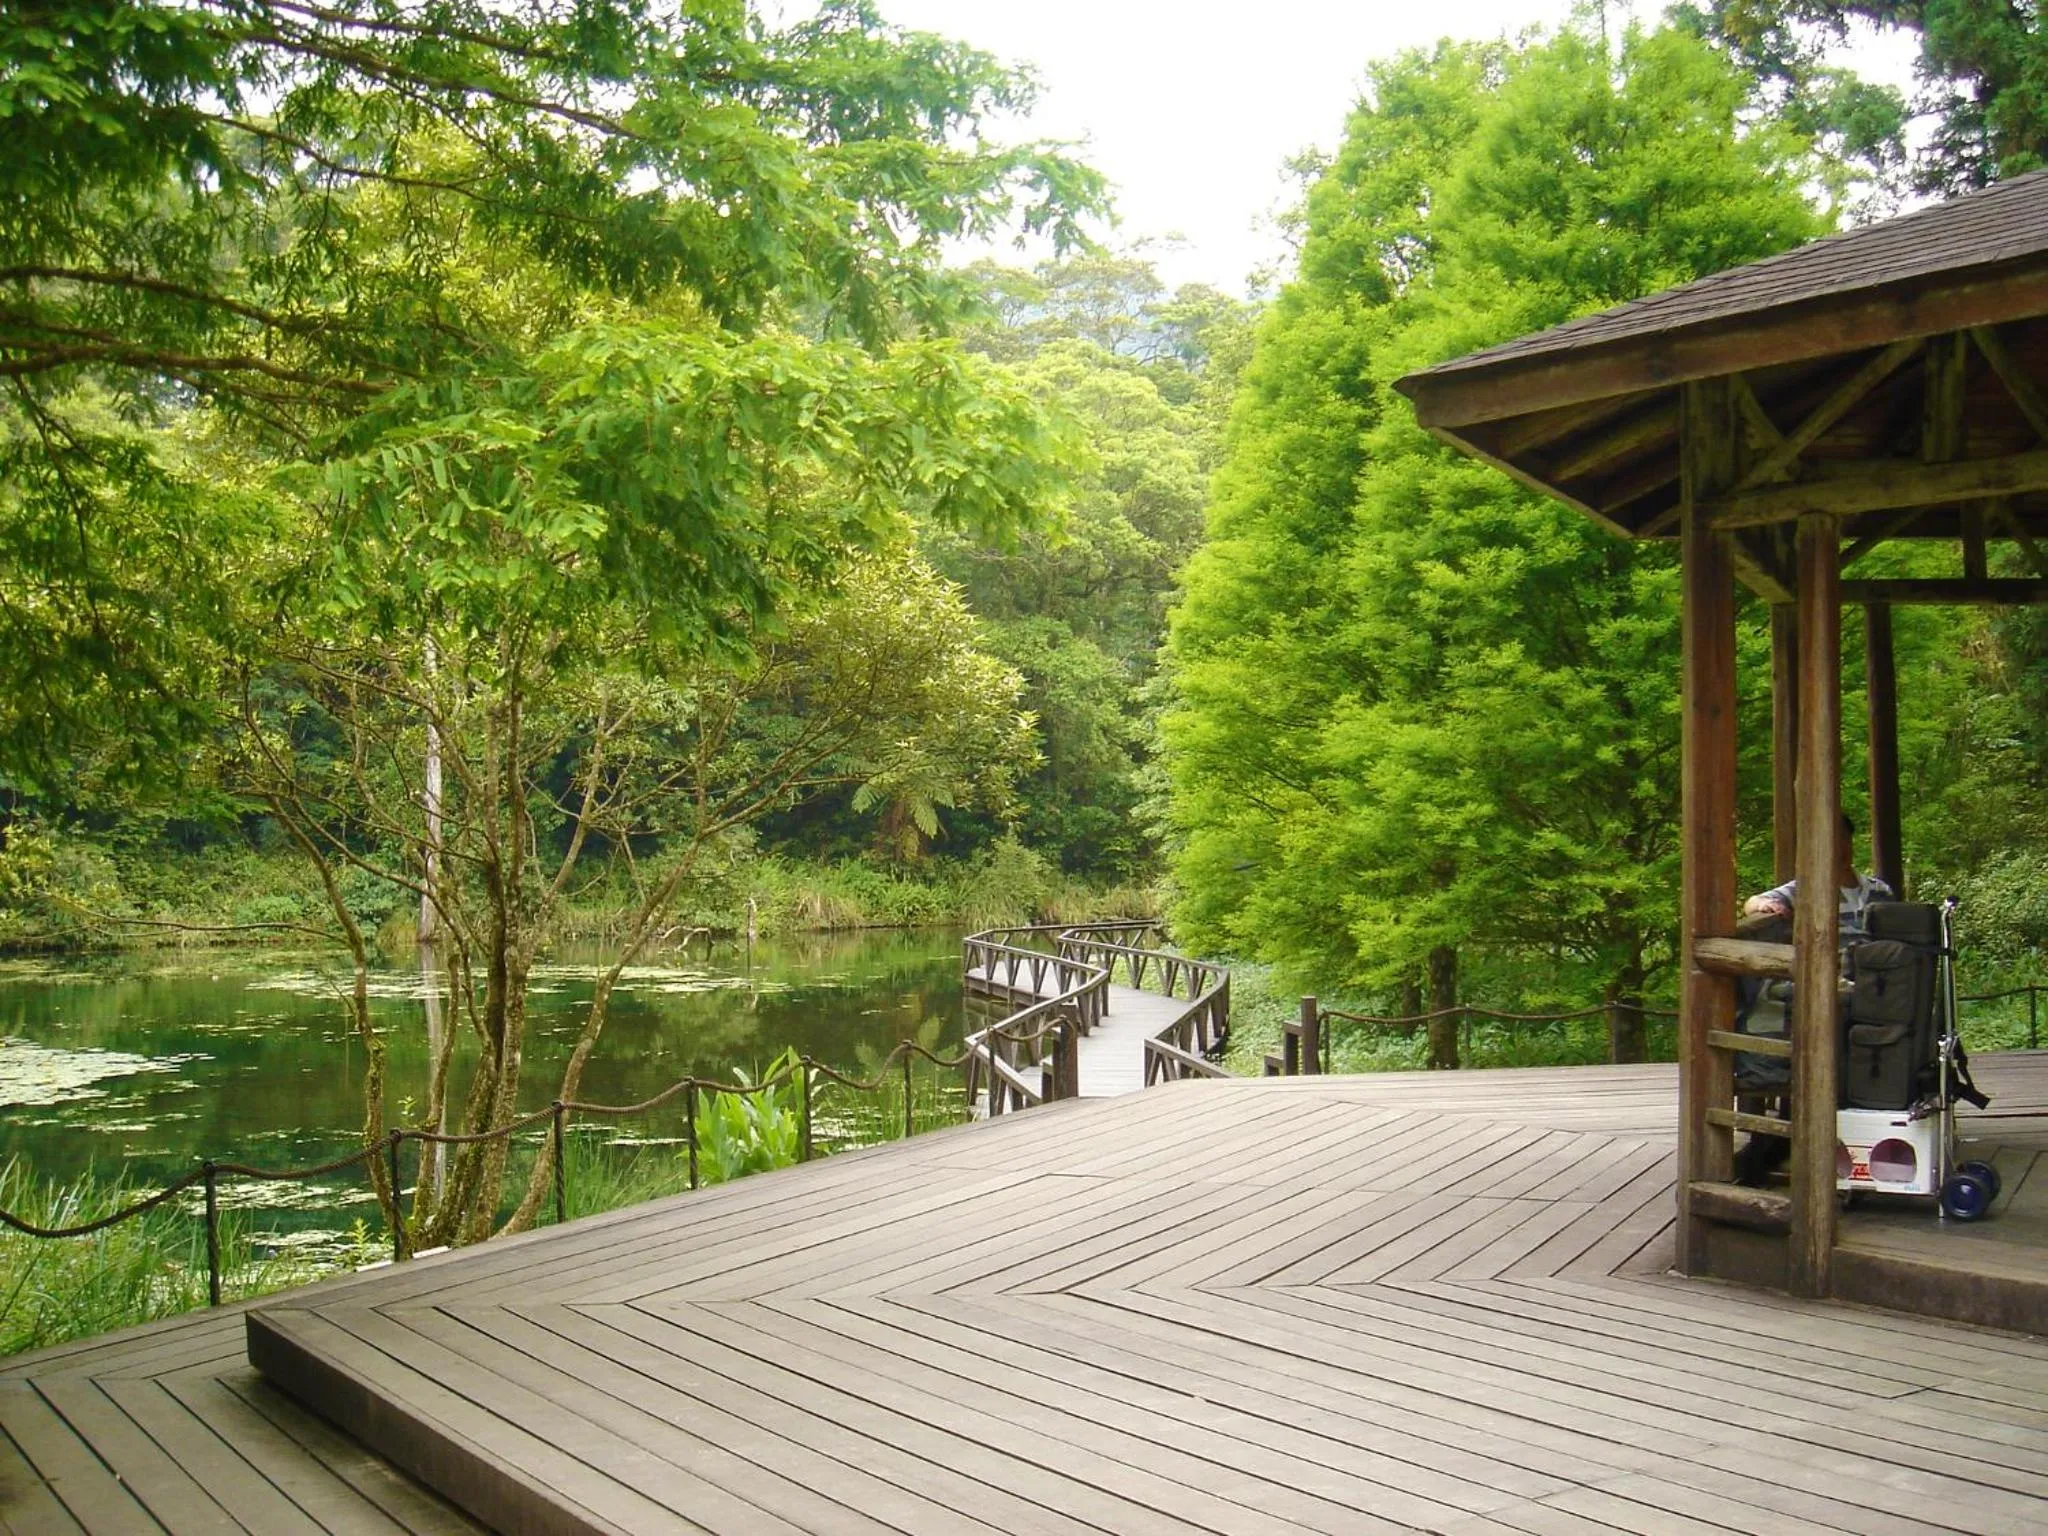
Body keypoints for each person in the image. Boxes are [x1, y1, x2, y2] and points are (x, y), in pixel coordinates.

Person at [1741, 811, 1894, 939]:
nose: (1839, 848)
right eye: (1830, 841)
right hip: (1830, 969)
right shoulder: (1806, 889)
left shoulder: (1880, 889)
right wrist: (1763, 904)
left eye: (1843, 838)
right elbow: (1752, 903)